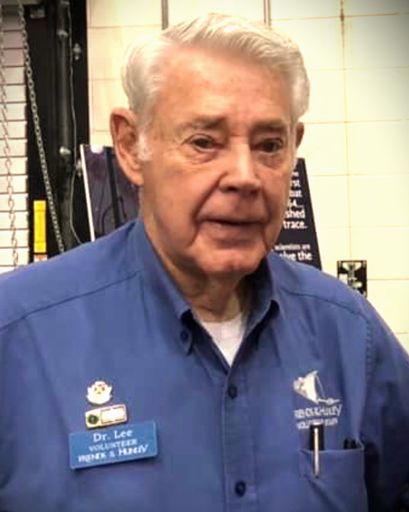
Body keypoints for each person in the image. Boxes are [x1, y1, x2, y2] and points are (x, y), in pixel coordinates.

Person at [0, 13, 408, 512]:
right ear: (131, 146)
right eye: (204, 142)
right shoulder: (19, 337)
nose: (245, 177)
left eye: (269, 145)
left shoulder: (349, 336)